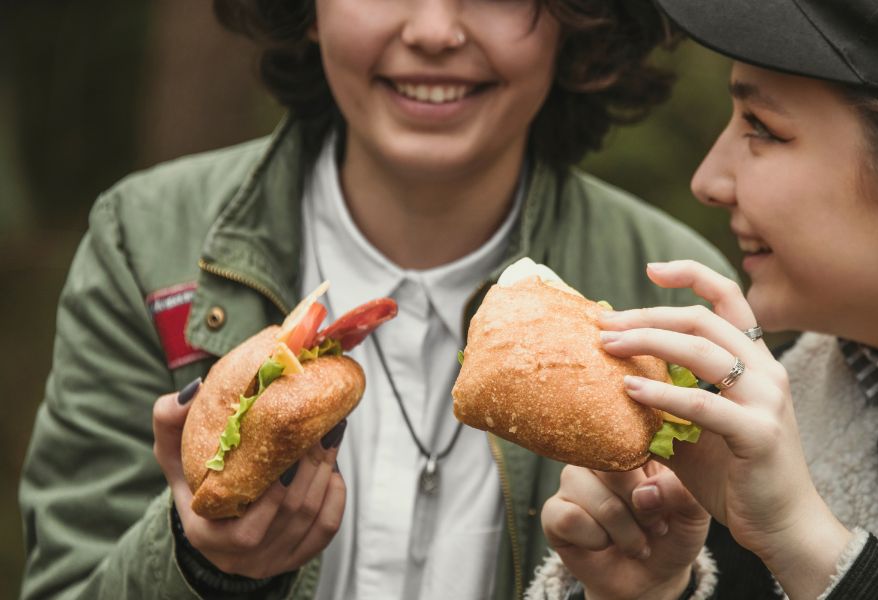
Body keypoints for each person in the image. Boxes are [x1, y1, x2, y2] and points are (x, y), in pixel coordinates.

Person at [17, 1, 737, 599]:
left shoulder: (676, 298)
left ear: (580, 20)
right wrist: (201, 568)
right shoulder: (143, 242)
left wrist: (654, 592)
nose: (432, 30)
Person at [531, 0, 878, 598]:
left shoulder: (774, 491)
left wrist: (803, 539)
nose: (708, 181)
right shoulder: (732, 456)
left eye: (763, 128)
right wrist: (656, 590)